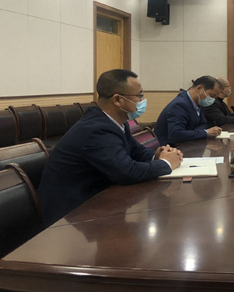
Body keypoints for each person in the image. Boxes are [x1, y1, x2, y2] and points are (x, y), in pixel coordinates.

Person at [37, 70, 183, 227]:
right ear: (118, 100)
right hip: (69, 216)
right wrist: (166, 163)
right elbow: (126, 172)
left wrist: (158, 155)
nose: (143, 101)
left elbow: (136, 152)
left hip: (94, 202)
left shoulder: (115, 123)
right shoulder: (96, 130)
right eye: (139, 96)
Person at [154, 76, 223, 146]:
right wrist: (205, 133)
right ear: (199, 88)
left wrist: (197, 132)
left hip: (188, 144)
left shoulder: (199, 102)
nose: (213, 100)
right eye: (212, 95)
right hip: (170, 147)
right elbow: (176, 134)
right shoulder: (179, 105)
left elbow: (203, 124)